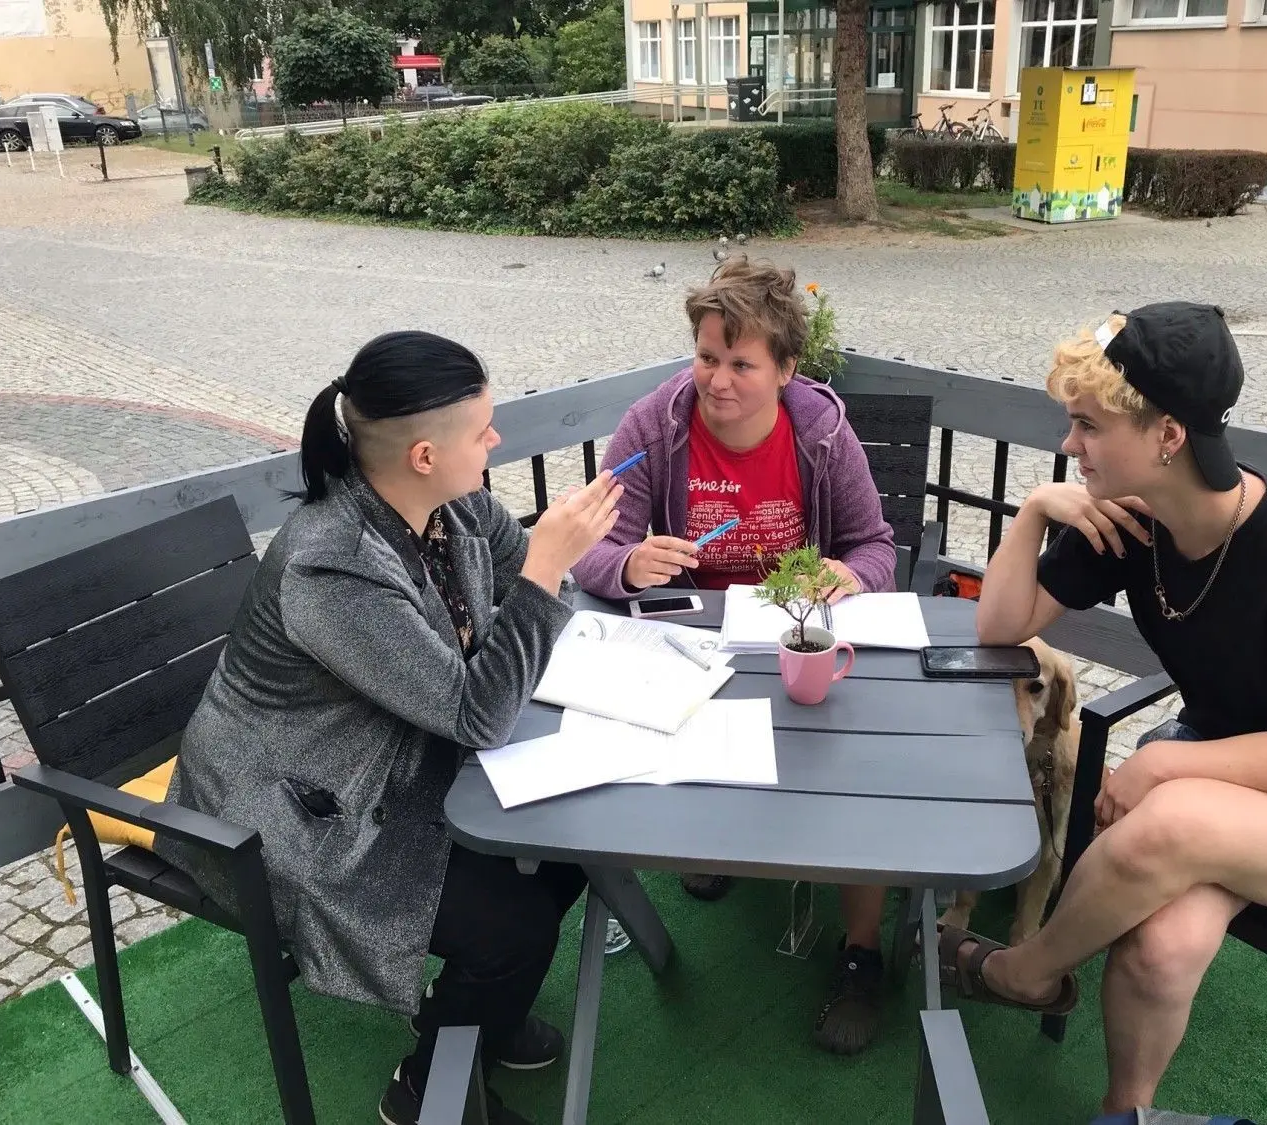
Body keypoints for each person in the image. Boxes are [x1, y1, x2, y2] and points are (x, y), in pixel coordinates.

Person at [942, 301, 1267, 1116]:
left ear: (1168, 435)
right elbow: (1002, 627)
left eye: (1086, 425)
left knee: (1171, 817)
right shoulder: (1130, 521)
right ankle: (1127, 1112)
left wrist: (1165, 758)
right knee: (1159, 945)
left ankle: (1024, 970)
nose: (1071, 445)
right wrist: (1038, 511)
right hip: (1232, 765)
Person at [154, 331, 623, 1125]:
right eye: (482, 430)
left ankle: (472, 1014)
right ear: (423, 457)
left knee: (575, 849)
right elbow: (479, 711)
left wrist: (546, 570)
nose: (496, 441)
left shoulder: (458, 507)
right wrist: (545, 572)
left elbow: (525, 602)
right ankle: (424, 1089)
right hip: (290, 808)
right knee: (513, 927)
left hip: (394, 756)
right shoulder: (328, 565)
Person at [571, 256, 900, 1056]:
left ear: (786, 369)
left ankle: (862, 948)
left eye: (742, 363)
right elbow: (590, 542)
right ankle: (721, 849)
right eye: (707, 356)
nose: (718, 381)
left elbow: (877, 546)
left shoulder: (818, 430)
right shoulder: (657, 423)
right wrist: (626, 565)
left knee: (852, 770)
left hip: (795, 631)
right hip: (694, 640)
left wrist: (848, 573)